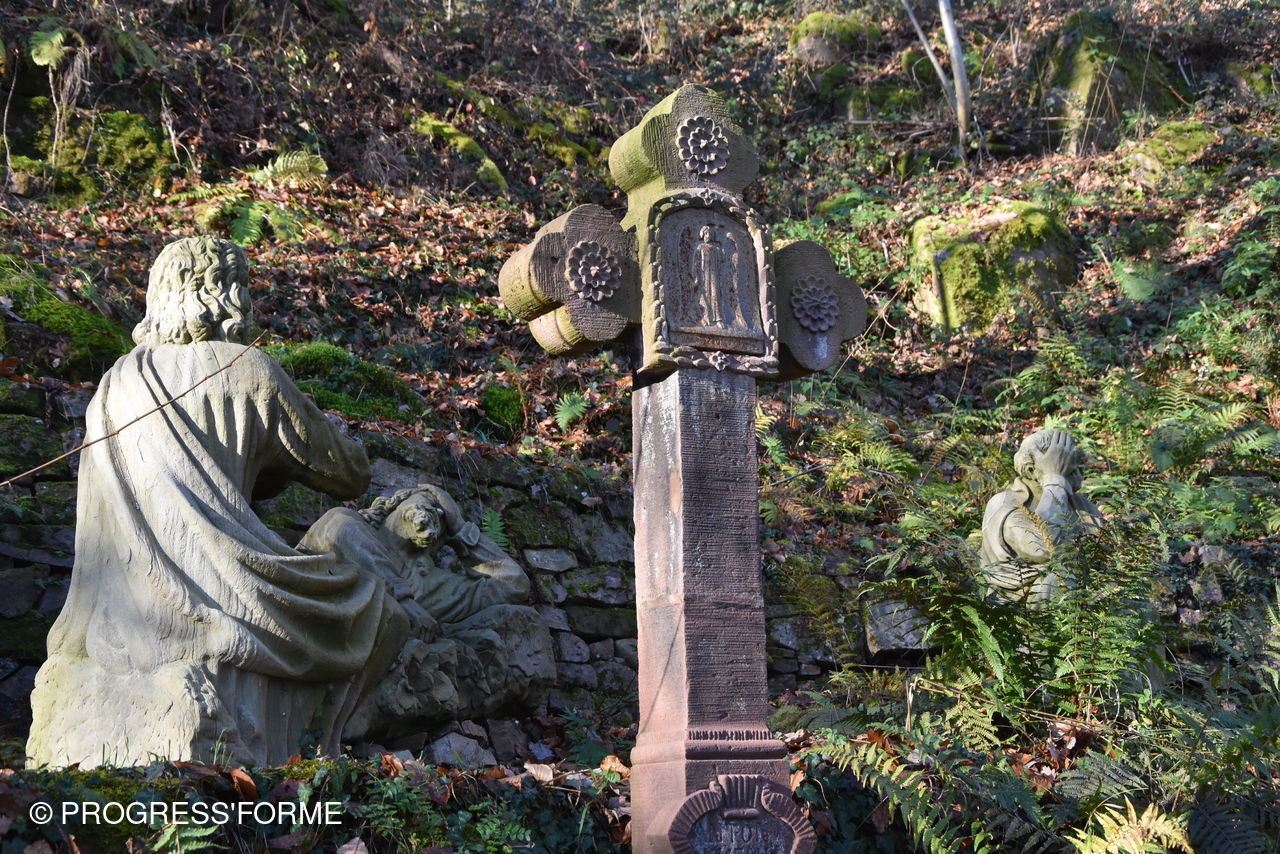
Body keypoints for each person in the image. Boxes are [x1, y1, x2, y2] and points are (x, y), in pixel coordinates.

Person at [27, 237, 407, 768]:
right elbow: (347, 473)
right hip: (228, 592)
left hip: (116, 619)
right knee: (378, 608)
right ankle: (318, 751)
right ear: (232, 295)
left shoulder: (115, 382)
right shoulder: (246, 369)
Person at [301, 485, 554, 740]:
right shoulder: (348, 523)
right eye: (426, 499)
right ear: (394, 503)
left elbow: (514, 584)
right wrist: (404, 600)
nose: (431, 511)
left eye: (441, 514)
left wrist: (460, 529)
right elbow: (342, 530)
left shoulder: (432, 587)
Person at [979, 428, 1104, 605]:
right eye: (1061, 462)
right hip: (1022, 602)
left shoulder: (1083, 506)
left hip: (1085, 593)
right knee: (1057, 580)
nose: (1075, 469)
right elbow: (1042, 548)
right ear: (1031, 469)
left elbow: (1106, 559)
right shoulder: (1004, 503)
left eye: (1071, 460)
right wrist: (1055, 480)